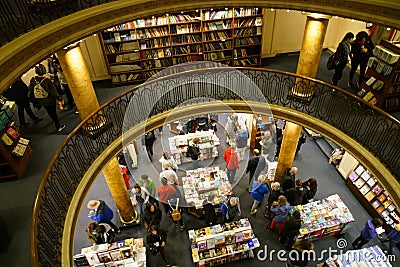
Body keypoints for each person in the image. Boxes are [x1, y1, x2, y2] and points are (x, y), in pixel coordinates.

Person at [28, 63, 65, 132]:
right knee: (53, 112)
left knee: (49, 112)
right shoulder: (47, 81)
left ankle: (55, 121)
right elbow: (54, 92)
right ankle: (58, 126)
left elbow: (30, 90)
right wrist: (59, 99)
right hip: (50, 100)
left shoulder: (33, 79)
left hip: (41, 100)